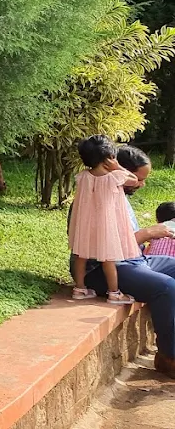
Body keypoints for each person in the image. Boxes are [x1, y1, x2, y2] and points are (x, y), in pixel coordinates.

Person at [73, 145, 175, 375]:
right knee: (167, 288)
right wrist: (148, 233)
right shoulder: (95, 195)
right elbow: (105, 245)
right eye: (138, 179)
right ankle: (169, 356)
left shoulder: (118, 194)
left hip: (135, 260)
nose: (140, 184)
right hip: (106, 267)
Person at [70, 135, 142, 303]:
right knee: (108, 259)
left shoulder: (83, 177)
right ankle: (114, 293)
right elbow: (135, 180)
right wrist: (118, 167)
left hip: (85, 223)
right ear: (109, 158)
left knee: (81, 255)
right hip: (106, 225)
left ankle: (79, 289)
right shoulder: (114, 177)